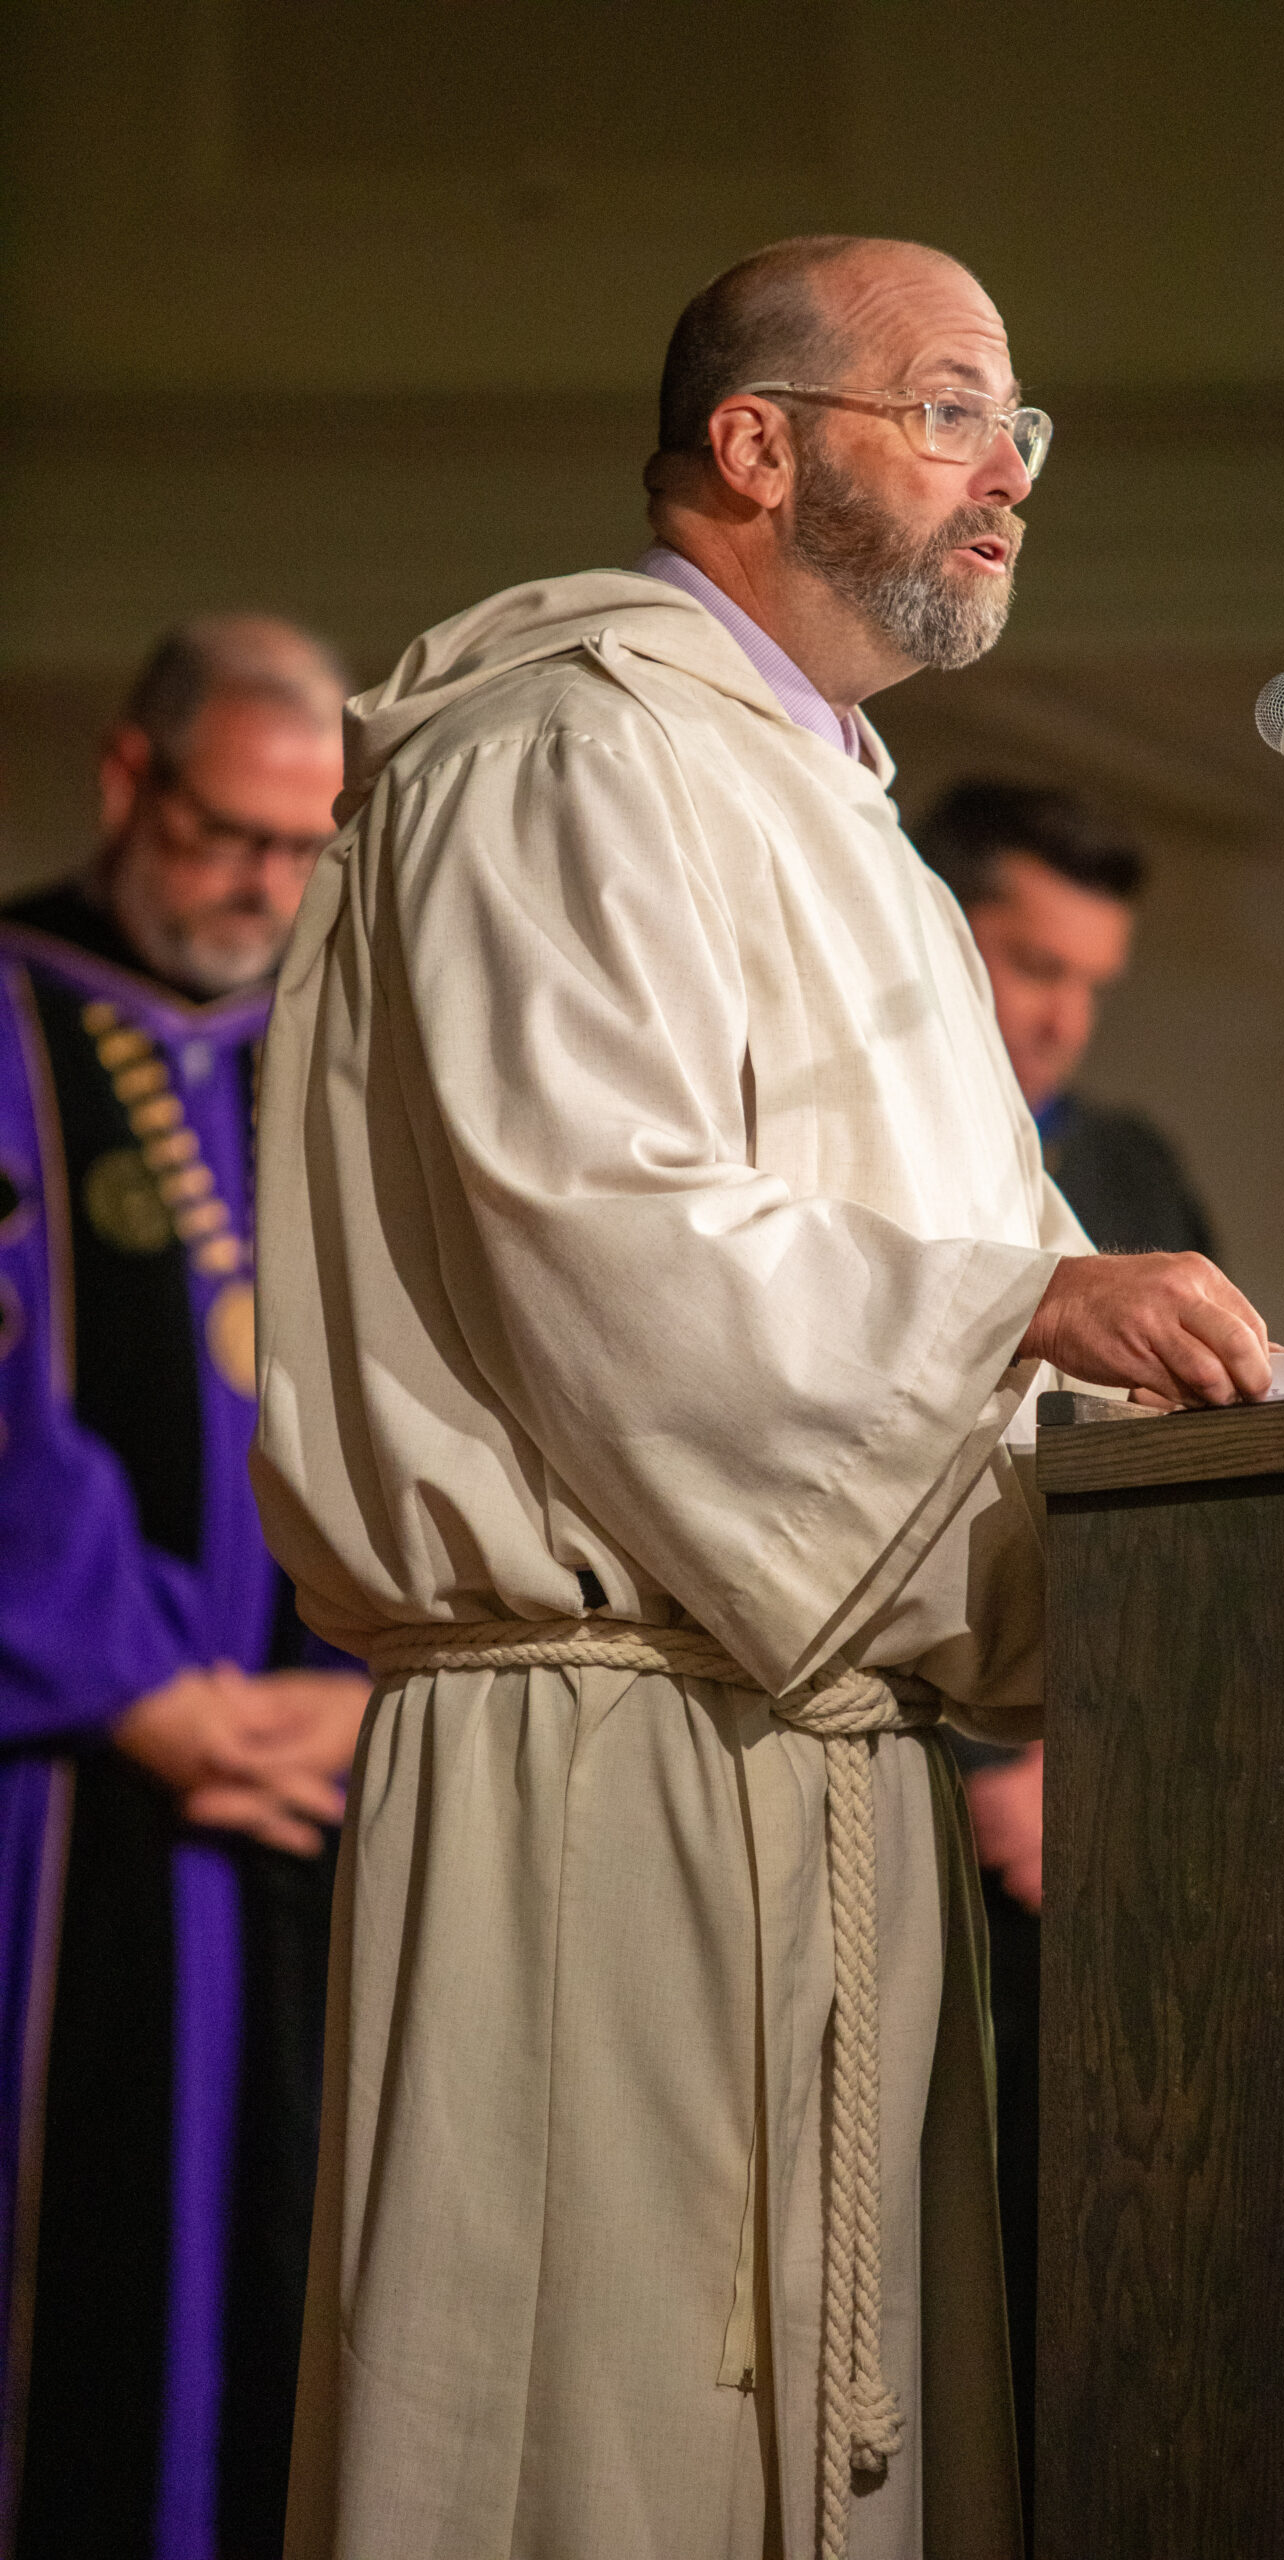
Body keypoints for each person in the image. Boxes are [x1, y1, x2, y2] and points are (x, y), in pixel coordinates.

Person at [251, 234, 1272, 2560]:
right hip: (597, 1771)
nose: (1004, 471)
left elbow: (982, 1292)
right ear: (753, 442)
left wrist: (1187, 1441)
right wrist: (1023, 1313)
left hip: (824, 1785)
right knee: (582, 2460)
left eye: (1018, 426)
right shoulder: (561, 754)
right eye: (943, 407)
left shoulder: (847, 831)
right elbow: (595, 1242)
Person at [0, 618, 371, 2560]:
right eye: (231, 834)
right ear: (129, 783)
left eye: (307, 848)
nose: (264, 888)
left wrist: (358, 1682)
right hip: (61, 1781)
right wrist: (138, 1678)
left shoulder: (337, 1050)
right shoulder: (8, 1007)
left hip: (306, 1776)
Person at [916, 778, 1222, 2538]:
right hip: (912, 1784)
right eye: (1028, 959)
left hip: (1090, 1829)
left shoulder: (1127, 1169)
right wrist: (987, 1768)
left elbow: (1197, 1495)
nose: (1057, 1016)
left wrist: (1087, 1756)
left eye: (1089, 978)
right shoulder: (837, 1152)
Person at [916, 779, 1216, 1256]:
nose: (1068, 1028)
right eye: (1037, 969)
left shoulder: (1138, 1174)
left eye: (1093, 988)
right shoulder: (843, 1122)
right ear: (931, 933)